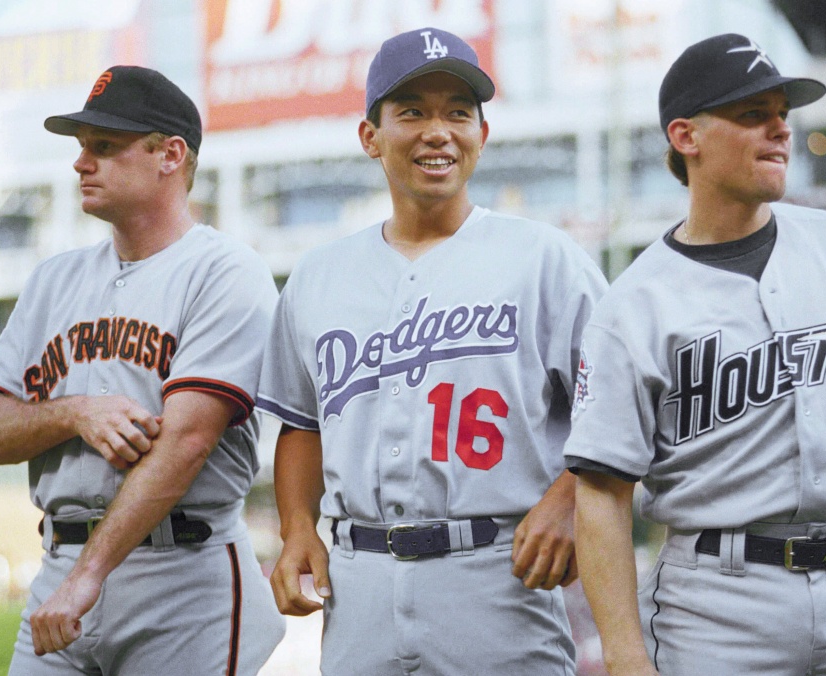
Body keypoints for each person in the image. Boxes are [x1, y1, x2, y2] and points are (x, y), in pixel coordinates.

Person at [567, 34, 826, 675]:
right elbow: (601, 497)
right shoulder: (634, 305)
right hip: (717, 605)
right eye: (752, 115)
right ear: (686, 137)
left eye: (782, 115)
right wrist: (628, 661)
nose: (779, 130)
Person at [256, 27, 607, 675]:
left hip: (498, 574)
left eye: (458, 112)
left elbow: (623, 401)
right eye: (412, 111)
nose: (437, 130)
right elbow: (301, 423)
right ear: (370, 136)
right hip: (358, 581)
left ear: (482, 134)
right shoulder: (319, 275)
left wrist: (569, 496)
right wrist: (296, 526)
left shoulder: (543, 259)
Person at [0, 65, 284, 675]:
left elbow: (188, 441)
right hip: (60, 558)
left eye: (104, 147)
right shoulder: (53, 281)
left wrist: (90, 576)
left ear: (169, 155)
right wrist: (75, 412)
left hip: (182, 574)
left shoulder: (224, 271)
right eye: (82, 147)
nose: (80, 164)